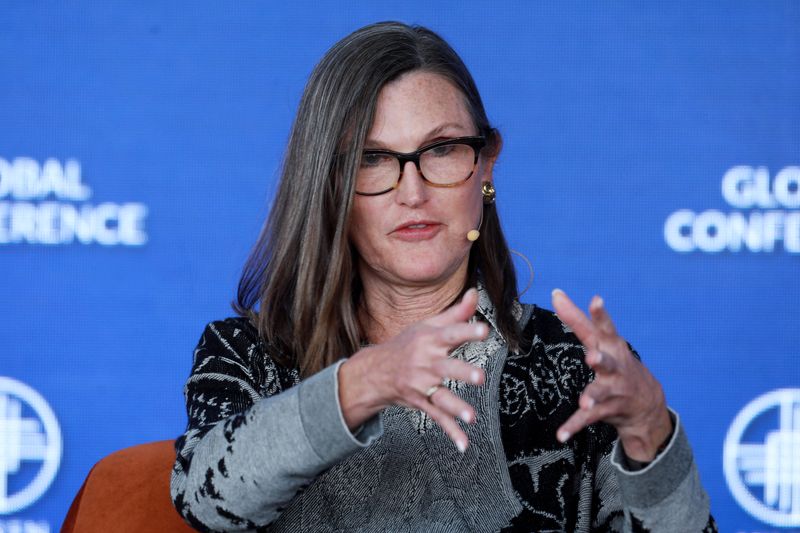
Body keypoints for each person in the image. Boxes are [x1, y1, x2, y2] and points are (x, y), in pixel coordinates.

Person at [170, 22, 716, 532]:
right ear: (328, 184)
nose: (414, 191)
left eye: (442, 148)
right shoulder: (248, 354)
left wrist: (650, 435)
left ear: (486, 164)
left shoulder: (576, 366)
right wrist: (364, 382)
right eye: (373, 158)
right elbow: (204, 499)